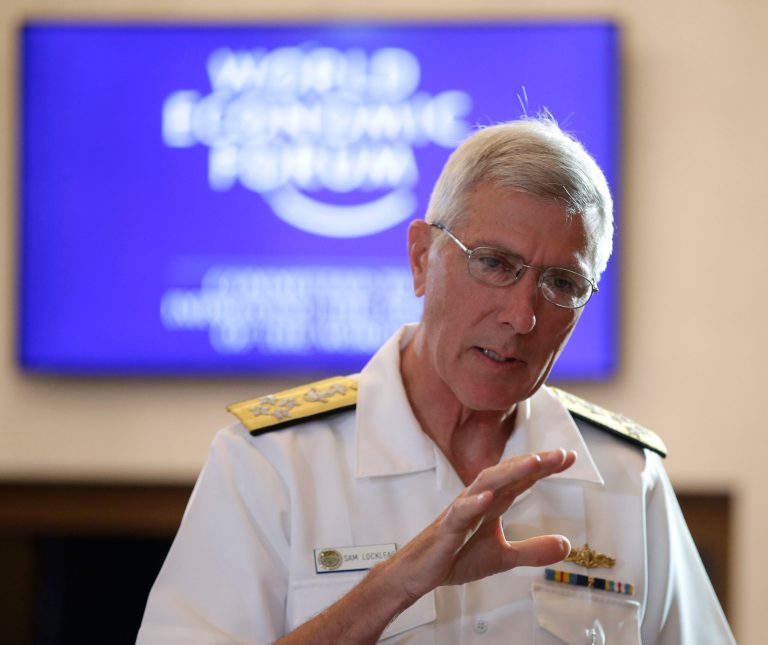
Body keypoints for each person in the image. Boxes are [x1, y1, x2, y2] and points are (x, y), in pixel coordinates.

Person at [137, 118, 735, 644]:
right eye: (495, 264)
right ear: (422, 258)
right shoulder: (274, 462)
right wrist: (393, 587)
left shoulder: (627, 475)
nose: (522, 316)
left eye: (562, 284)